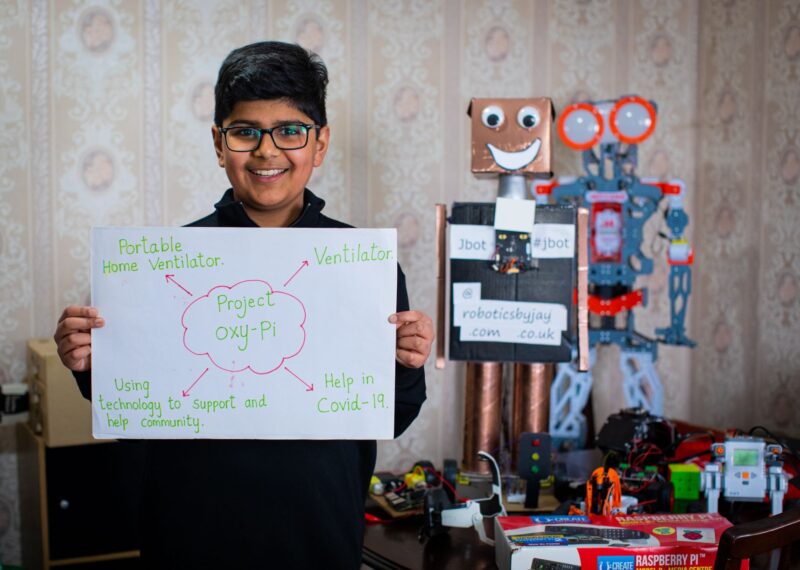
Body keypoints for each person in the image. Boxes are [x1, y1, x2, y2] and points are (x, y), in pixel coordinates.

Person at [53, 41, 432, 569]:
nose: (267, 151)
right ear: (218, 142)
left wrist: (406, 364)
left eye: (290, 131)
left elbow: (392, 410)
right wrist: (90, 363)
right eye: (245, 131)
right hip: (190, 529)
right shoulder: (162, 266)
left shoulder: (364, 267)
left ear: (319, 143)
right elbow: (134, 406)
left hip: (315, 528)